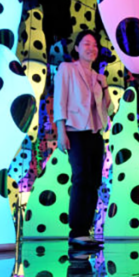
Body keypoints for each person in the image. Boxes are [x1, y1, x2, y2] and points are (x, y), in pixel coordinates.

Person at [54, 30, 112, 250]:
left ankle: (85, 232)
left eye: (95, 45)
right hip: (75, 130)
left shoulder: (97, 77)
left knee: (93, 181)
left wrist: (104, 85)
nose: (92, 48)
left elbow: (108, 108)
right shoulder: (66, 69)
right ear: (77, 48)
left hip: (95, 132)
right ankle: (76, 232)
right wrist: (61, 131)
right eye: (87, 44)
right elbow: (60, 99)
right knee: (80, 179)